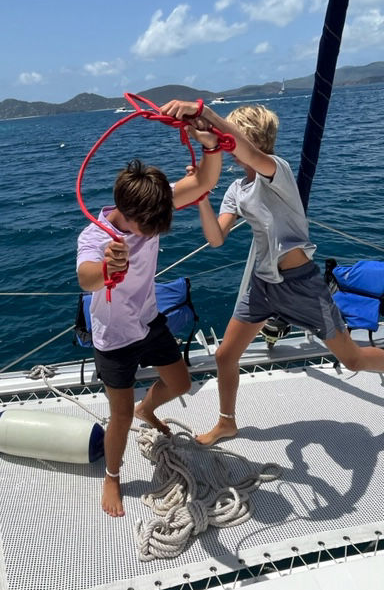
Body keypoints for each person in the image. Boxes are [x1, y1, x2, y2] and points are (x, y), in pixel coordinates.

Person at [161, 99, 384, 446]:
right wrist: (201, 196)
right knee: (225, 355)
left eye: (228, 134)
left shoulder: (276, 170)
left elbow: (247, 152)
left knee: (352, 359)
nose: (224, 141)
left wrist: (204, 112)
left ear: (250, 137)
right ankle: (227, 423)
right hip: (263, 286)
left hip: (302, 285)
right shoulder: (237, 189)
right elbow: (216, 239)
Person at [76, 124, 223, 516]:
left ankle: (148, 409)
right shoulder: (95, 237)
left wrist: (210, 144)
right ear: (126, 213)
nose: (156, 230)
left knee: (181, 383)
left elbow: (205, 180)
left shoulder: (153, 204)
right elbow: (85, 278)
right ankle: (112, 476)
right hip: (114, 338)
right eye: (149, 226)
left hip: (149, 321)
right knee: (120, 416)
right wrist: (107, 267)